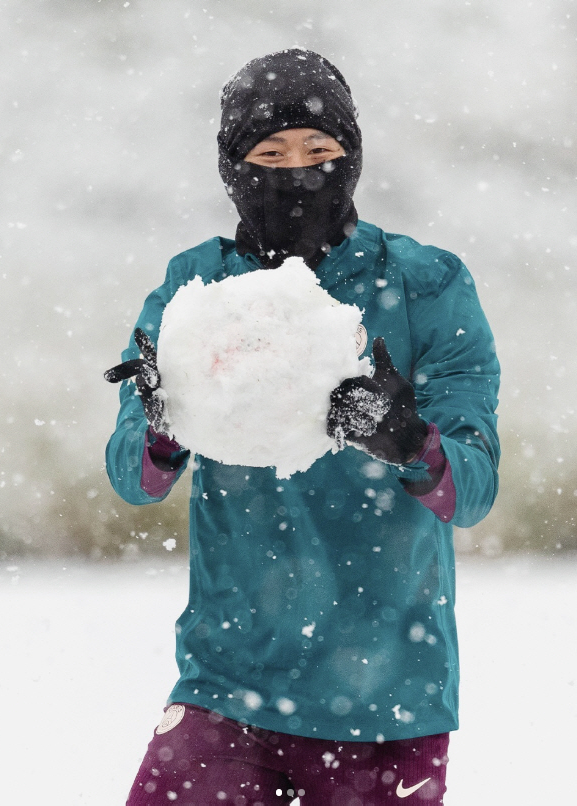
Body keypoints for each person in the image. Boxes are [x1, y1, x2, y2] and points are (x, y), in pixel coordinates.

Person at [105, 48, 500, 806]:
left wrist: (413, 442)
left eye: (322, 151)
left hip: (387, 696)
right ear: (233, 167)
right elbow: (133, 478)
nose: (298, 174)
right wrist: (164, 428)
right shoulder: (196, 286)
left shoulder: (426, 284)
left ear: (353, 159)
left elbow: (474, 488)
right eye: (270, 154)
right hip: (226, 683)